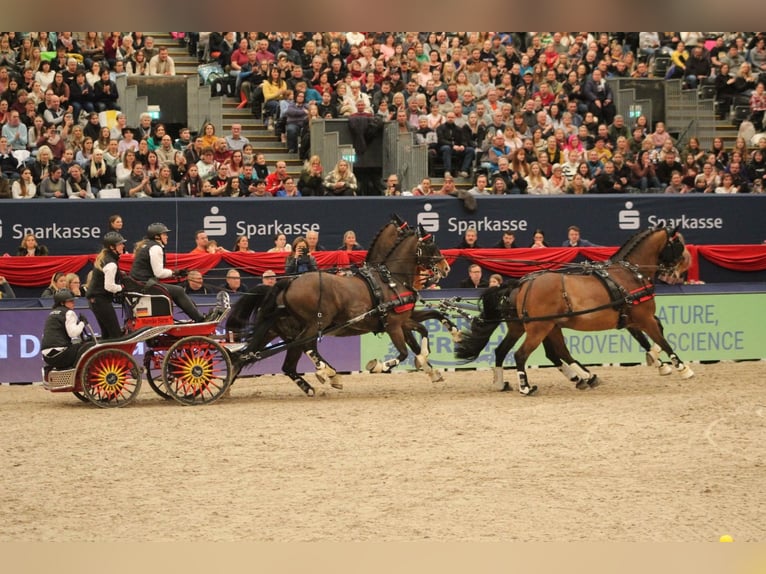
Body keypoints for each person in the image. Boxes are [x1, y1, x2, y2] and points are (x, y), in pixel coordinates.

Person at [130, 223, 213, 323]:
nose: (167, 236)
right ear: (157, 236)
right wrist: (174, 273)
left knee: (176, 290)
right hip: (145, 285)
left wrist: (175, 273)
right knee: (178, 291)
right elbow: (159, 273)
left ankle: (198, 315)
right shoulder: (155, 248)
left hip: (142, 283)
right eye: (164, 234)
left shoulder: (147, 245)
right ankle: (200, 319)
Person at [41, 289, 94, 370]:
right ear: (62, 303)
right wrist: (82, 323)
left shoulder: (52, 313)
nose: (73, 303)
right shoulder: (69, 313)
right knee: (87, 347)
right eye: (70, 301)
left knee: (75, 345)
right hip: (61, 355)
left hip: (47, 357)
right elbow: (73, 333)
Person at [87, 232, 127, 340]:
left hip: (95, 300)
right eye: (120, 244)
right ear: (112, 247)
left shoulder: (106, 258)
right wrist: (122, 288)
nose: (123, 246)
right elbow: (109, 287)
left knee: (106, 333)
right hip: (100, 300)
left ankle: (103, 356)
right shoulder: (111, 263)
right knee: (115, 334)